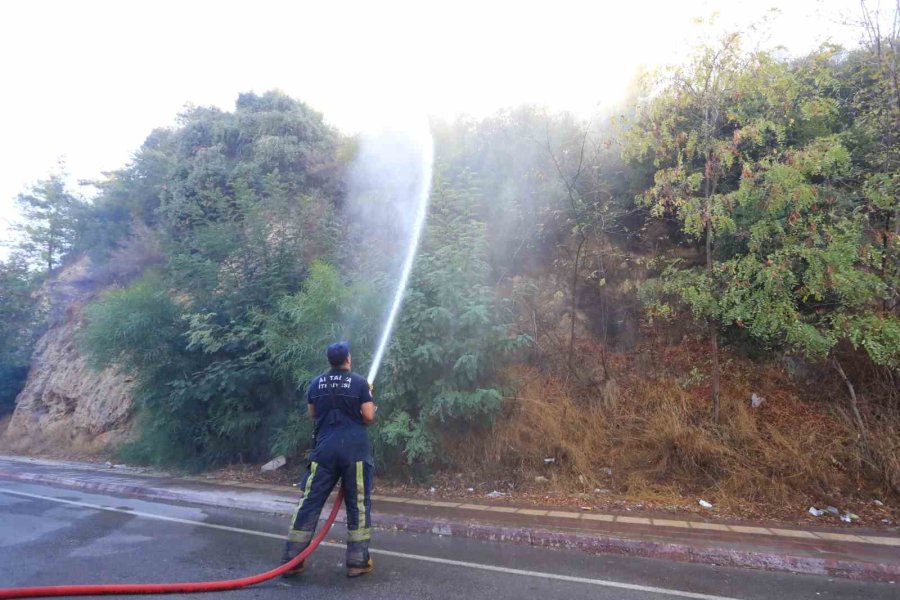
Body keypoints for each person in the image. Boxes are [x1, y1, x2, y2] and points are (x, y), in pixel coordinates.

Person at [282, 341, 376, 578]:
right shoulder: (359, 382)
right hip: (354, 451)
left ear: (329, 361)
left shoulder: (316, 383)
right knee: (358, 505)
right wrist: (368, 396)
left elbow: (313, 414)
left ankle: (292, 559)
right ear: (348, 359)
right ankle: (357, 562)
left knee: (310, 501)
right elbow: (368, 416)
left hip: (323, 451)